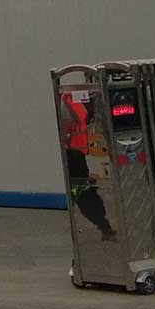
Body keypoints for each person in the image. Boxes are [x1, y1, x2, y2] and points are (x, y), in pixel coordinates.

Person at [58, 90, 117, 242]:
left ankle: (104, 227)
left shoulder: (69, 100)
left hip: (75, 156)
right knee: (82, 194)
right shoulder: (68, 101)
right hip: (73, 156)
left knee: (82, 193)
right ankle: (104, 228)